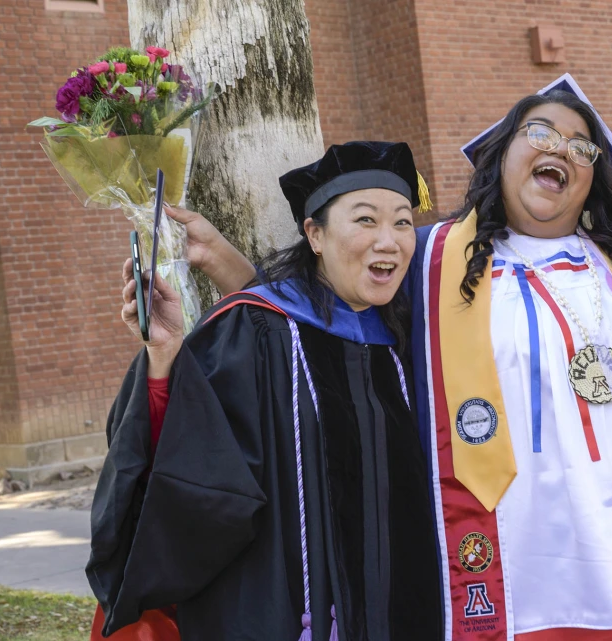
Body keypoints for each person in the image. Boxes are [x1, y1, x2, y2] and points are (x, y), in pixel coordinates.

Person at [192, 81, 612, 640]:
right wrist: (225, 265)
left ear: (594, 176)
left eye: (581, 146)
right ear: (502, 154)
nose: (561, 149)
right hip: (512, 558)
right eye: (540, 132)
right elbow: (328, 316)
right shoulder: (434, 260)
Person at [87, 141, 442, 641]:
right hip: (294, 615)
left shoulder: (415, 337)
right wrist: (166, 357)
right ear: (314, 234)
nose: (389, 240)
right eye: (365, 220)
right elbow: (192, 459)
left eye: (403, 222)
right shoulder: (260, 334)